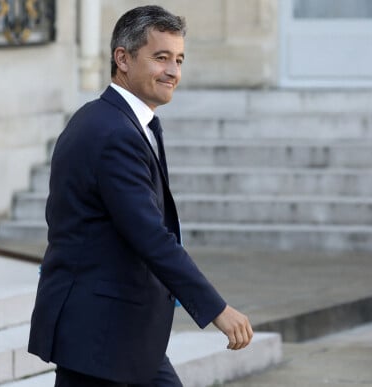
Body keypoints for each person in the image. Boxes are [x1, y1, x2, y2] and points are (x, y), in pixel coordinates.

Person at [27, 5, 253, 386]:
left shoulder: (118, 120)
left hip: (121, 335)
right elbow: (149, 234)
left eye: (179, 59)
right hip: (99, 335)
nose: (173, 71)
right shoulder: (113, 132)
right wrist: (216, 309)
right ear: (123, 59)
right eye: (160, 57)